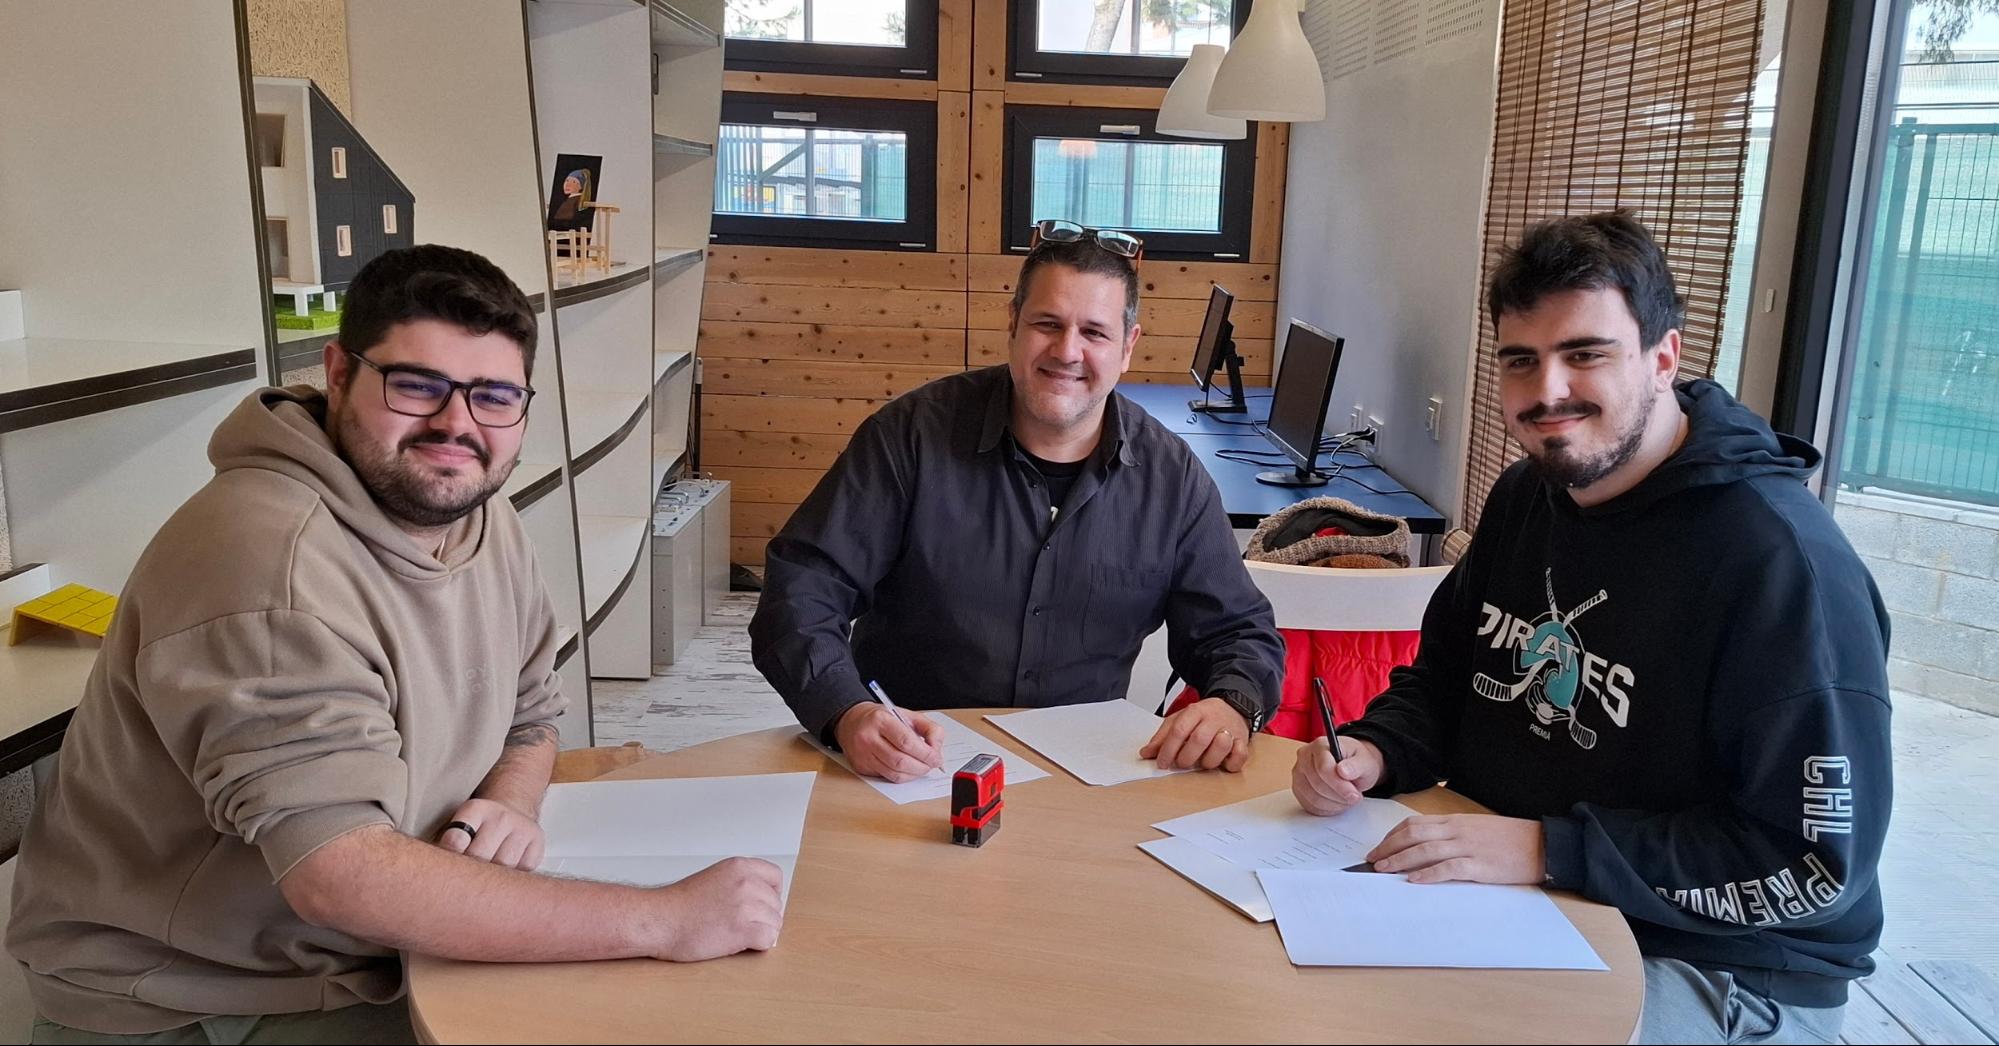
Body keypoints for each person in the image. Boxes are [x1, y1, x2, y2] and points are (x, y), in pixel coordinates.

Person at [9, 246, 782, 1045]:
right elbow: (338, 875)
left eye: (493, 397)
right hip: (207, 996)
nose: (457, 425)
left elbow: (531, 713)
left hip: (376, 945)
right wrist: (662, 920)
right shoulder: (268, 567)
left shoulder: (471, 509)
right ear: (338, 373)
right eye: (417, 385)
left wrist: (509, 801)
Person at [1291, 212, 1889, 1045]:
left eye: (1584, 354)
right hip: (1523, 898)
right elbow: (1442, 683)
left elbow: (1812, 864)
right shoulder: (1526, 495)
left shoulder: (1782, 567)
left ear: (1663, 358)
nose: (1547, 392)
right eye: (1520, 360)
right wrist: (1374, 750)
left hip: (1719, 967)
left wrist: (1552, 851)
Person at [751, 222, 1286, 784]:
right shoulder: (910, 438)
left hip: (1082, 775)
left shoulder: (1172, 478)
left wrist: (1233, 704)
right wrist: (847, 711)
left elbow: (1238, 631)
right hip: (908, 764)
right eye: (1047, 324)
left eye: (1094, 332)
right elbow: (801, 591)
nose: (1067, 351)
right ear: (1012, 324)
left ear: (1128, 347)